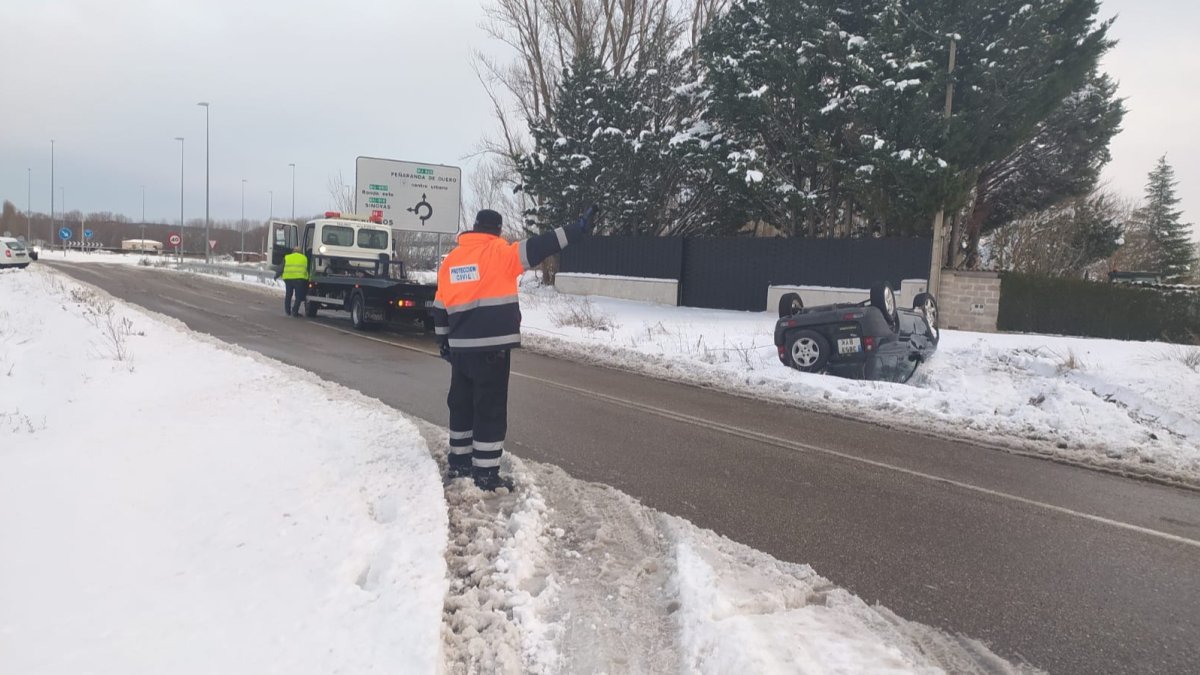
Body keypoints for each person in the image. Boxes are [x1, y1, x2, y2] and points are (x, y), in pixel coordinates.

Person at [432, 206, 597, 491]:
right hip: (492, 350)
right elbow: (540, 245)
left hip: (461, 351)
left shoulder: (452, 261)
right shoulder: (501, 253)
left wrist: (444, 342)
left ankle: (459, 464)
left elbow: (440, 306)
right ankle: (484, 475)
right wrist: (576, 230)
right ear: (496, 230)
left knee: (461, 405)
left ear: (474, 228)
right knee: (489, 410)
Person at [276, 246, 309, 316]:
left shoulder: (287, 257)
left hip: (288, 279)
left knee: (288, 295)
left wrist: (276, 275)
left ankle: (287, 311)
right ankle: (295, 311)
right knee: (298, 296)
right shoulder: (304, 258)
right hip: (299, 279)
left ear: (293, 251)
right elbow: (307, 268)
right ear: (300, 251)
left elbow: (281, 267)